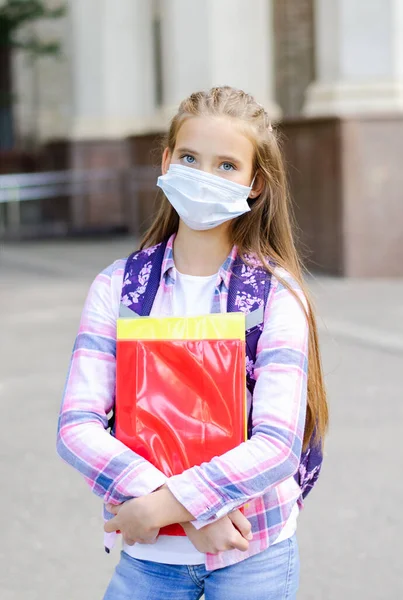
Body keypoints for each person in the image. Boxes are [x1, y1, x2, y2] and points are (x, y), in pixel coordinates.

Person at [57, 86, 328, 600]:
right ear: (166, 160)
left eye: (227, 165)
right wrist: (188, 512)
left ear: (256, 183)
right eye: (189, 158)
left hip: (253, 551)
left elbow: (277, 445)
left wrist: (162, 507)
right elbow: (76, 426)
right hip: (150, 559)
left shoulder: (277, 297)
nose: (205, 177)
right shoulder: (119, 288)